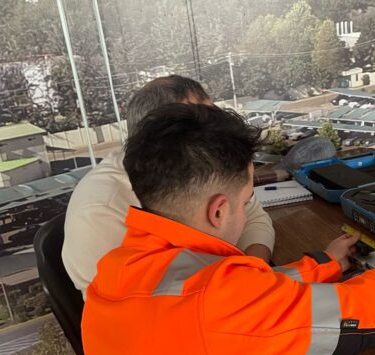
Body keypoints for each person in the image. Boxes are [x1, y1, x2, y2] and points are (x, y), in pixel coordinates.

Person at [80, 103, 375, 355]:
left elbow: (244, 297)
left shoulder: (119, 271)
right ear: (218, 211)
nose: (245, 210)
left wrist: (323, 264)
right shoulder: (214, 304)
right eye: (246, 201)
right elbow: (368, 314)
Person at [62, 75, 274, 297]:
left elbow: (255, 218)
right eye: (202, 124)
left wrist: (251, 275)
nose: (220, 134)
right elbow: (134, 309)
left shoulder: (211, 164)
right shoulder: (98, 212)